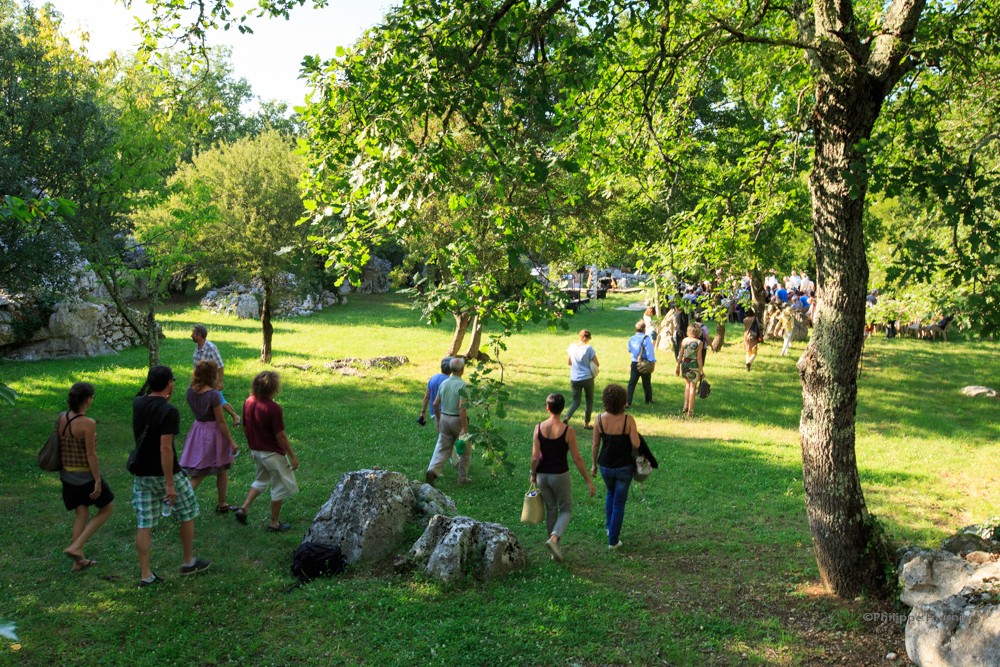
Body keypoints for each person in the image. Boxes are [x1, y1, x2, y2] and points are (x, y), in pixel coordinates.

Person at [132, 365, 211, 588]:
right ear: (169, 383)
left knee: (144, 523)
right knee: (187, 511)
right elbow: (165, 449)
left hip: (141, 473)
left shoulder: (138, 403)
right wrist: (169, 484)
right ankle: (188, 562)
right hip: (167, 474)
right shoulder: (169, 411)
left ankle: (145, 574)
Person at [529, 394, 596, 562]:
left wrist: (533, 474)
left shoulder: (538, 428)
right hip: (560, 475)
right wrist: (588, 480)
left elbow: (535, 458)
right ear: (563, 408)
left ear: (547, 408)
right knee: (565, 509)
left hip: (542, 476)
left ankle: (554, 551)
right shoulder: (568, 431)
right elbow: (577, 458)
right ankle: (554, 539)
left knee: (551, 509)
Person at [58, 382, 114, 572]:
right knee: (107, 508)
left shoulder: (62, 418)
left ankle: (78, 561)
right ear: (88, 399)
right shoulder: (88, 424)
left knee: (81, 513)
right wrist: (97, 481)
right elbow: (91, 455)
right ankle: (76, 546)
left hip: (67, 476)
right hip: (84, 477)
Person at [234, 371, 299, 532]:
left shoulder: (248, 401)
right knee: (280, 486)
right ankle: (274, 523)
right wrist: (292, 455)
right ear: (273, 388)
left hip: (257, 451)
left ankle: (244, 508)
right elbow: (281, 436)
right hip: (272, 454)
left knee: (261, 480)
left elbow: (245, 427)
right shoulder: (273, 408)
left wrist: (251, 444)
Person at [179, 360, 238, 513]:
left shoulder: (190, 391)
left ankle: (222, 504)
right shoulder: (214, 395)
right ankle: (179, 503)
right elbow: (221, 421)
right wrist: (230, 441)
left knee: (222, 469)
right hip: (213, 434)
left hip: (198, 430)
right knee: (200, 472)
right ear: (212, 375)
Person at [591, 384, 640, 550]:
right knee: (619, 502)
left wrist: (593, 465)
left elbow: (595, 444)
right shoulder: (628, 420)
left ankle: (609, 527)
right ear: (623, 401)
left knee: (610, 493)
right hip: (624, 466)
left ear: (605, 401)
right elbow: (636, 443)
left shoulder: (599, 419)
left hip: (605, 465)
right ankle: (613, 540)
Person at [427, 357, 471, 486]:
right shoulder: (463, 385)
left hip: (444, 418)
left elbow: (435, 404)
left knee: (442, 447)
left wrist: (439, 420)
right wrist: (464, 427)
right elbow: (461, 407)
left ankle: (432, 470)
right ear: (462, 369)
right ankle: (462, 478)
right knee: (465, 450)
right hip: (457, 419)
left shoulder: (444, 383)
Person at [191, 324, 240, 427]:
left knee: (220, 399)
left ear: (199, 335)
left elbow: (220, 365)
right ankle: (207, 419)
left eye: (194, 333)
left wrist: (220, 381)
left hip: (211, 380)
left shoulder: (211, 347)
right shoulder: (197, 348)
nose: (191, 335)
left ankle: (235, 416)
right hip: (200, 380)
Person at [565, 330, 598, 429]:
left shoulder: (572, 347)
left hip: (574, 378)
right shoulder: (589, 349)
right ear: (588, 338)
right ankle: (587, 423)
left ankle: (567, 417)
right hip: (587, 378)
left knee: (576, 401)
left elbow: (569, 363)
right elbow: (597, 363)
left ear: (579, 336)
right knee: (589, 400)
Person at [676, 324, 706, 418]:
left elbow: (681, 354)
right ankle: (690, 411)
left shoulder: (684, 340)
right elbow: (699, 358)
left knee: (687, 385)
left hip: (685, 365)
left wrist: (677, 366)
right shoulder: (699, 343)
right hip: (694, 366)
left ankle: (685, 406)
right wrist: (701, 371)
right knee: (693, 387)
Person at [626, 321, 656, 407]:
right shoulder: (646, 339)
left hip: (634, 362)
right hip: (644, 363)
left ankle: (628, 401)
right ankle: (648, 399)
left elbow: (629, 350)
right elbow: (650, 351)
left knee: (632, 382)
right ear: (644, 329)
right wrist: (652, 362)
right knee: (646, 382)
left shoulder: (631, 338)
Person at [743, 307, 762, 371]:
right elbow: (759, 326)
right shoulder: (755, 319)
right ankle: (749, 363)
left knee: (748, 352)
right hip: (753, 336)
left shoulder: (745, 320)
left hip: (746, 336)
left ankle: (747, 363)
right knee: (754, 353)